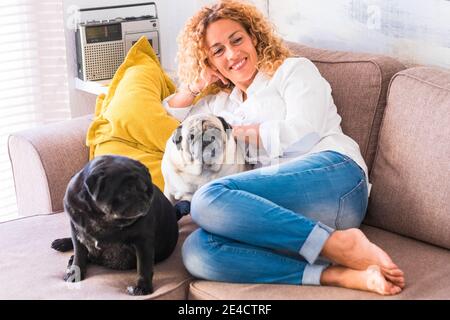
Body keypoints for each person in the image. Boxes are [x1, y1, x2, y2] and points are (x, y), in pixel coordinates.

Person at [162, 0, 405, 295]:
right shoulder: (220, 104)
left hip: (335, 178)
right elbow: (171, 119)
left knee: (206, 199)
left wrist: (243, 133)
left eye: (237, 40)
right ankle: (335, 275)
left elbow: (306, 129)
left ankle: (338, 244)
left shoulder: (292, 70)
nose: (233, 53)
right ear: (211, 63)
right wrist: (198, 84)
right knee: (198, 251)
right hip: (285, 211)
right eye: (218, 51)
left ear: (253, 37)